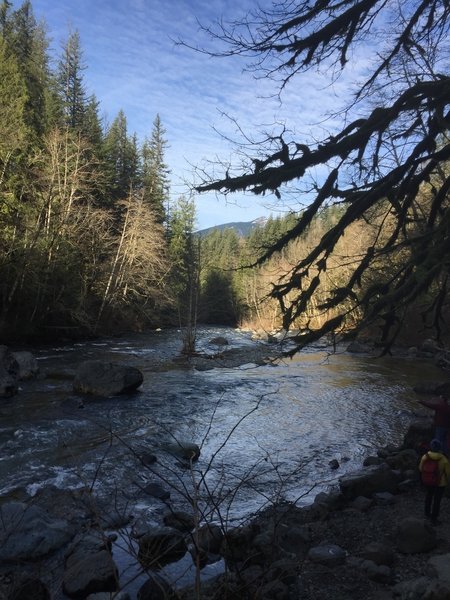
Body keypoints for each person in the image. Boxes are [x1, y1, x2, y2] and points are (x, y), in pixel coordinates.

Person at [419, 438, 450, 525]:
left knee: (429, 496)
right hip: (440, 483)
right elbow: (448, 472)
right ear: (440, 448)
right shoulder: (444, 459)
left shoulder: (425, 456)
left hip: (428, 481)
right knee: (437, 500)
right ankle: (434, 518)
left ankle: (427, 513)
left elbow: (421, 468)